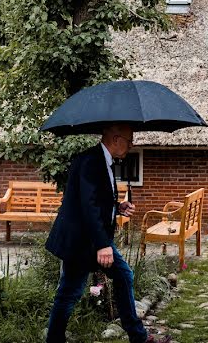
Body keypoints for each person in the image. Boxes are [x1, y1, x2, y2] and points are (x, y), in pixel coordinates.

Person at [45, 123, 170, 343]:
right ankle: (54, 339)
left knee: (123, 276)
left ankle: (138, 336)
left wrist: (118, 207)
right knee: (70, 292)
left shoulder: (104, 161)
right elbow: (88, 206)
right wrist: (103, 244)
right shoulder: (91, 161)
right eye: (129, 140)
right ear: (115, 138)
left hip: (94, 237)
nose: (131, 145)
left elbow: (98, 201)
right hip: (80, 240)